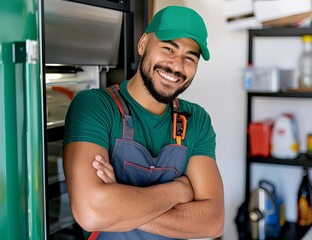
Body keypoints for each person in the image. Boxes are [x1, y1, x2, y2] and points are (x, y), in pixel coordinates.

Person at [63, 5, 224, 240]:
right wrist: (178, 190)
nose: (177, 66)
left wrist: (118, 201)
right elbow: (91, 212)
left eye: (190, 58)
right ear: (142, 45)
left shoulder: (196, 120)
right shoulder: (96, 106)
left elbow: (213, 222)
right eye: (168, 48)